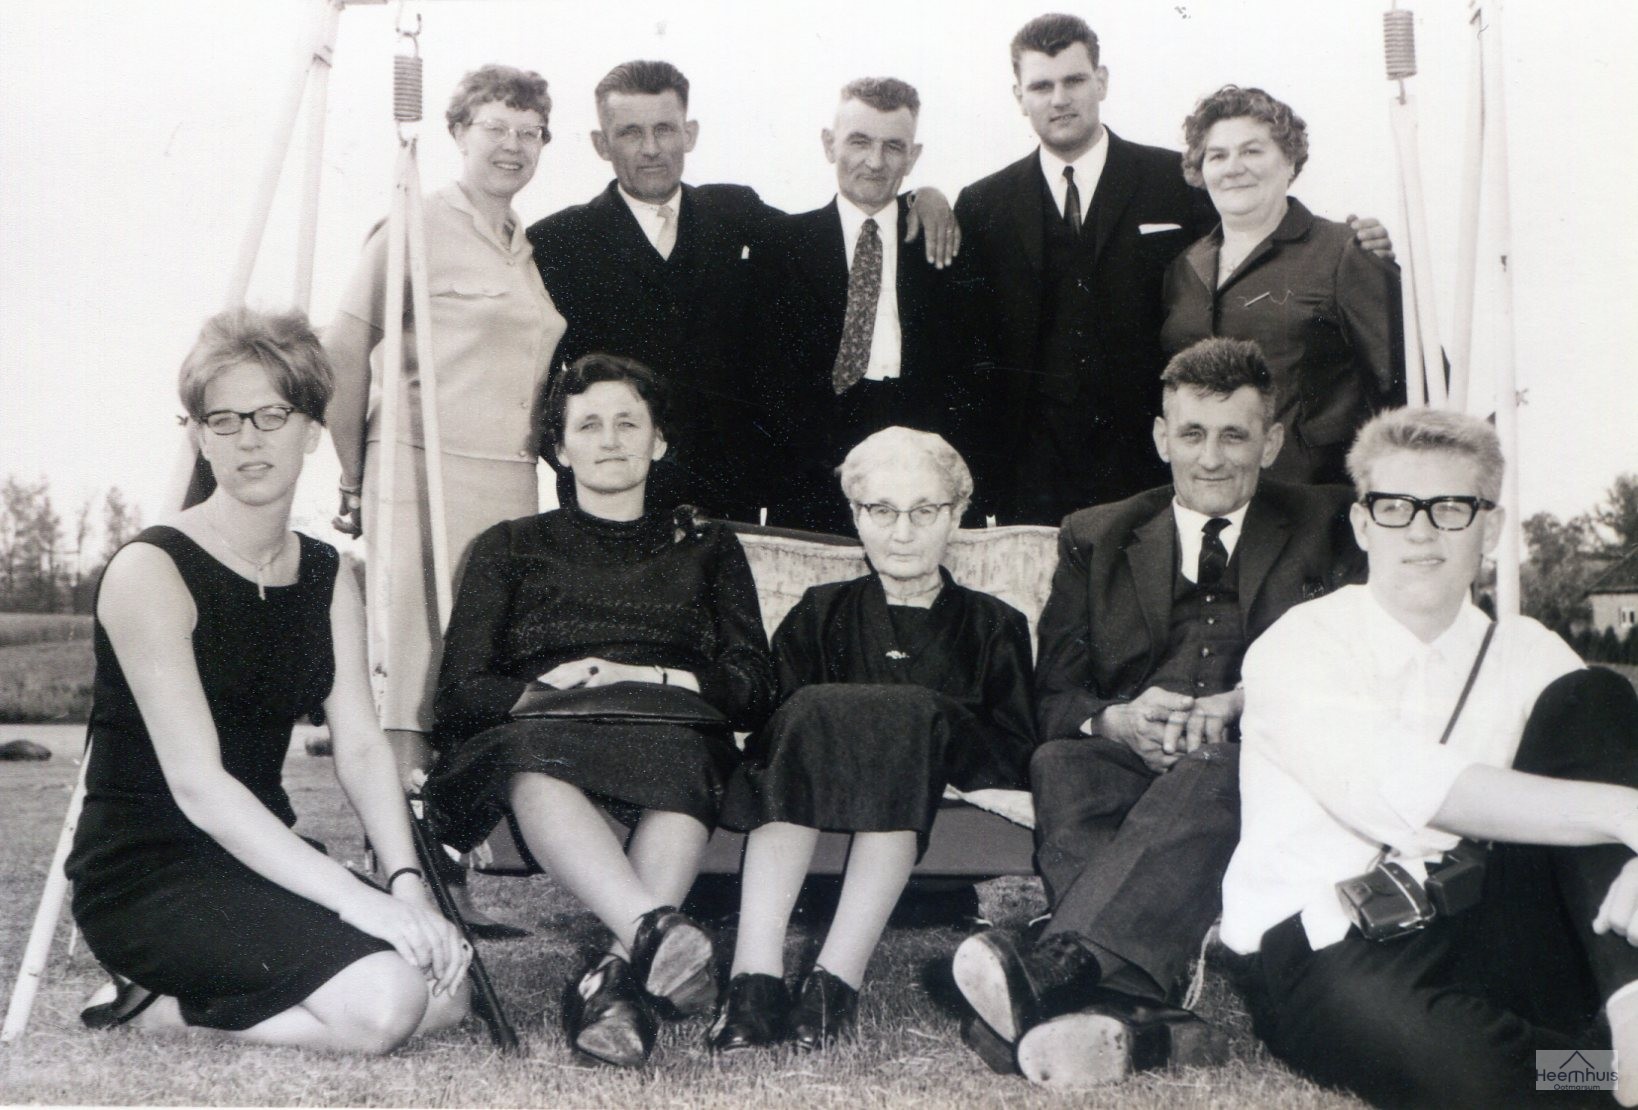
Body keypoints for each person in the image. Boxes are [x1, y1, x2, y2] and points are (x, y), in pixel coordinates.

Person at [951, 337, 1364, 1086]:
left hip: (1257, 764)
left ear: (1271, 443)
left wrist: (1248, 705)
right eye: (1192, 434)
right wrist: (1118, 721)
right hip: (1131, 761)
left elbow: (1356, 665)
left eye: (1235, 436)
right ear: (1160, 437)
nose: (1211, 458)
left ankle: (1059, 968)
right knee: (1062, 763)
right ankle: (1146, 1017)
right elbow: (1055, 697)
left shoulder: (1331, 522)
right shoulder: (1096, 534)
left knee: (1219, 764)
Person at [66, 308, 471, 1052]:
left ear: (312, 430)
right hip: (148, 874)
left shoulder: (324, 573)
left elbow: (361, 746)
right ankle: (154, 1007)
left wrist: (406, 885)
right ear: (199, 437)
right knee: (387, 1004)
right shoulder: (151, 571)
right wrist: (358, 903)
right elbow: (199, 786)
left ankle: (189, 997)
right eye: (223, 420)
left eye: (271, 415)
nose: (248, 438)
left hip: (257, 853)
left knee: (447, 988)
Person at [1219, 406, 1638, 1109]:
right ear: (1362, 525)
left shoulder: (1529, 650)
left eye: (1450, 507)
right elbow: (1405, 786)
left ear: (1490, 529)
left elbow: (1607, 758)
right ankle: (1601, 1074)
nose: (1421, 530)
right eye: (1395, 507)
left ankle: (1633, 1008)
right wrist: (1628, 813)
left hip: (1490, 926)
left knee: (1593, 697)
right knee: (1475, 1074)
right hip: (1332, 944)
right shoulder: (1300, 644)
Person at [424, 353, 776, 1069]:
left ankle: (617, 977)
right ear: (560, 449)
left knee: (688, 761)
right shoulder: (508, 547)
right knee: (535, 759)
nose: (610, 440)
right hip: (545, 734)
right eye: (588, 425)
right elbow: (458, 691)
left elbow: (752, 685)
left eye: (628, 423)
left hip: (670, 732)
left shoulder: (708, 547)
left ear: (658, 441)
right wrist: (548, 690)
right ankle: (648, 939)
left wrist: (645, 676)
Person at [953, 13, 1391, 525]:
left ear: (1101, 81)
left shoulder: (1177, 181)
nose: (1059, 99)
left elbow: (1258, 235)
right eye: (1041, 86)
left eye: (1074, 80)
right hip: (1032, 478)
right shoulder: (983, 204)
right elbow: (966, 348)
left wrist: (1360, 240)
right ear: (1019, 95)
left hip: (1160, 472)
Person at [324, 64, 564, 935]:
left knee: (474, 678)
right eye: (496, 126)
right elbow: (343, 350)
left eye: (529, 132)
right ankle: (403, 881)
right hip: (418, 475)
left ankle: (446, 870)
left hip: (508, 484)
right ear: (459, 132)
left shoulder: (524, 246)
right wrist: (354, 475)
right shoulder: (415, 224)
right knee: (410, 677)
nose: (513, 145)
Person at [710, 427, 1036, 1052]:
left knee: (907, 715)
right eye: (882, 510)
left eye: (925, 511)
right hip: (813, 784)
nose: (902, 531)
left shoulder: (994, 624)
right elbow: (781, 736)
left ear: (957, 516)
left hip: (929, 777)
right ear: (857, 516)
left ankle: (835, 981)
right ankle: (754, 980)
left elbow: (1014, 743)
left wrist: (916, 729)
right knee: (811, 708)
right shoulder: (820, 610)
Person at [529, 60, 959, 523]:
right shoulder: (557, 242)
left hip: (727, 499)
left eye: (665, 129)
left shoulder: (734, 212)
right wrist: (581, 467)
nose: (651, 148)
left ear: (689, 134)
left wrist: (920, 197)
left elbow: (839, 231)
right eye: (631, 132)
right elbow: (536, 388)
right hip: (609, 499)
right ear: (601, 143)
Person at [757, 78, 976, 534]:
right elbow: (765, 380)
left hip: (924, 463)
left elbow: (970, 373)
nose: (875, 162)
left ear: (913, 156)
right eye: (859, 141)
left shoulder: (943, 244)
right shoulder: (780, 245)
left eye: (893, 146)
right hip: (816, 465)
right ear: (829, 144)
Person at [1161, 85, 1405, 485]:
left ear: (1289, 160)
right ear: (1201, 171)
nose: (1233, 167)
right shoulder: (1183, 268)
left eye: (1252, 151)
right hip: (1212, 492)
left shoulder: (1345, 252)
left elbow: (1407, 387)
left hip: (1318, 499)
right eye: (1217, 156)